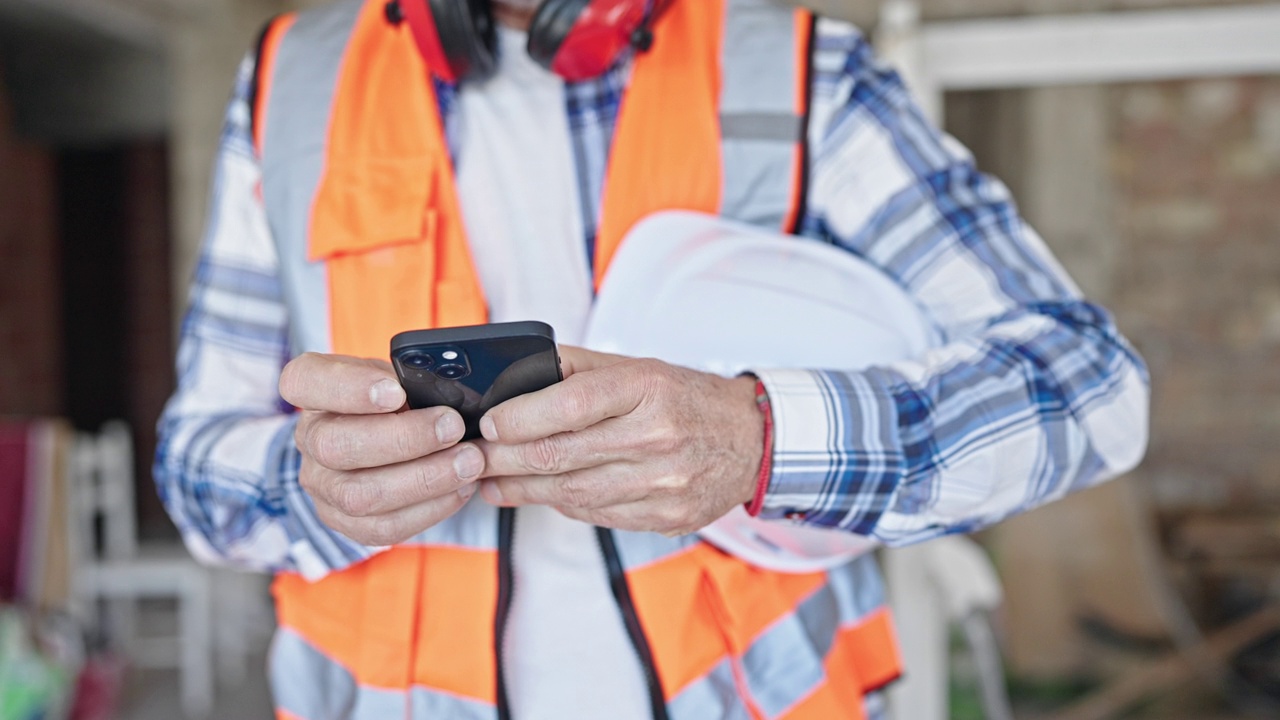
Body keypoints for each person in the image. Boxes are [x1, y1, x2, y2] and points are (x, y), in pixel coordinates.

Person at [154, 0, 1150, 718]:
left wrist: (759, 440)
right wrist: (308, 482)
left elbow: (1087, 386)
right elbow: (195, 467)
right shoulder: (292, 82)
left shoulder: (802, 69)